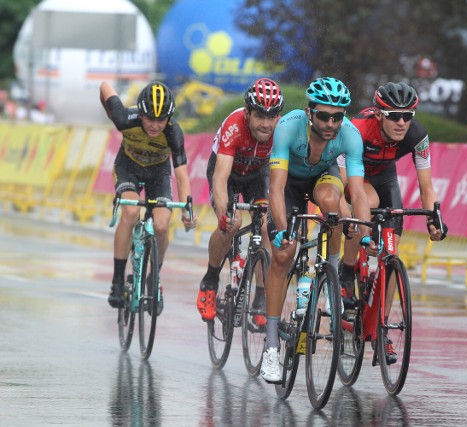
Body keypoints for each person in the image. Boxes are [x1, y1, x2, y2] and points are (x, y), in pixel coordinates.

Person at [259, 77, 373, 383]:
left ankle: (331, 273)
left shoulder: (349, 135)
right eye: (324, 115)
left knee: (332, 204)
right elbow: (277, 186)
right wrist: (283, 231)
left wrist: (365, 235)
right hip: (289, 185)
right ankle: (271, 346)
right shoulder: (289, 126)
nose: (331, 123)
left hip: (324, 177)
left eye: (337, 117)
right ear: (310, 113)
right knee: (284, 254)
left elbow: (359, 193)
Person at [337, 81, 447, 364]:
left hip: (385, 176)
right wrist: (359, 221)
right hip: (353, 174)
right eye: (394, 116)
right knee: (365, 206)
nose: (401, 123)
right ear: (378, 114)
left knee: (392, 253)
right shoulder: (357, 130)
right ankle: (348, 272)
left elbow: (426, 186)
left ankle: (381, 328)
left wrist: (434, 218)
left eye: (407, 116)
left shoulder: (417, 135)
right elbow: (345, 182)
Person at [100, 80, 198, 313]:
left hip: (158, 173)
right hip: (128, 167)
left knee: (162, 225)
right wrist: (109, 113)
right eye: (149, 119)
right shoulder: (124, 119)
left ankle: (154, 278)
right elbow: (104, 86)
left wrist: (187, 209)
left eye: (161, 120)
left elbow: (182, 176)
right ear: (141, 113)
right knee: (131, 211)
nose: (155, 126)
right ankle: (117, 280)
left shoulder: (174, 132)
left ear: (169, 118)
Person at [196, 78, 284, 326]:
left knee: (268, 226)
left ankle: (261, 297)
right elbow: (220, 178)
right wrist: (225, 214)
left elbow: (282, 177)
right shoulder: (234, 126)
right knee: (232, 225)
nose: (266, 124)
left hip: (257, 175)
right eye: (259, 116)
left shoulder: (282, 130)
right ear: (247, 113)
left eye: (272, 116)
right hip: (230, 175)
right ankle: (210, 281)